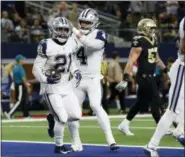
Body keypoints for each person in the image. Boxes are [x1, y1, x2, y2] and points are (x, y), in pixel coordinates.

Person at [47, 8, 119, 151]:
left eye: (87, 22)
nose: (84, 25)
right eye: (82, 22)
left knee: (95, 106)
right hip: (77, 79)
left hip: (93, 78)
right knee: (74, 113)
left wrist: (75, 32)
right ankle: (76, 141)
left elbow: (91, 45)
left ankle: (111, 139)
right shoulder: (73, 36)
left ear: (94, 23)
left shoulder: (99, 34)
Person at [32, 17, 82, 154]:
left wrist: (76, 71)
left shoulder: (72, 43)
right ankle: (58, 146)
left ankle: (51, 117)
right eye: (59, 29)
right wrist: (45, 79)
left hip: (66, 86)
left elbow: (70, 60)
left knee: (76, 115)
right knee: (62, 118)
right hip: (51, 87)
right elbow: (36, 68)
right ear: (53, 29)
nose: (62, 32)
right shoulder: (46, 45)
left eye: (65, 29)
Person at [117, 18, 167, 136]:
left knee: (141, 102)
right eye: (151, 28)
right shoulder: (139, 41)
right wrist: (125, 78)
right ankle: (161, 128)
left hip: (151, 76)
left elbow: (157, 59)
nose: (153, 31)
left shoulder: (154, 39)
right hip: (143, 76)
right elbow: (131, 61)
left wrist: (166, 70)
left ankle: (124, 124)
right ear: (144, 29)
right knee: (156, 100)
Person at [143, 17, 185, 157]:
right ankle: (151, 145)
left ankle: (180, 130)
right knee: (172, 110)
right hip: (183, 69)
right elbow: (183, 47)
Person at [4, 55, 31, 119]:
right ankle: (9, 113)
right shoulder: (20, 68)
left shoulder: (15, 68)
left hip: (17, 85)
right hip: (20, 85)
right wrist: (27, 87)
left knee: (24, 101)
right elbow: (23, 78)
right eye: (23, 59)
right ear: (20, 60)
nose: (24, 60)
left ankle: (26, 115)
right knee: (19, 101)